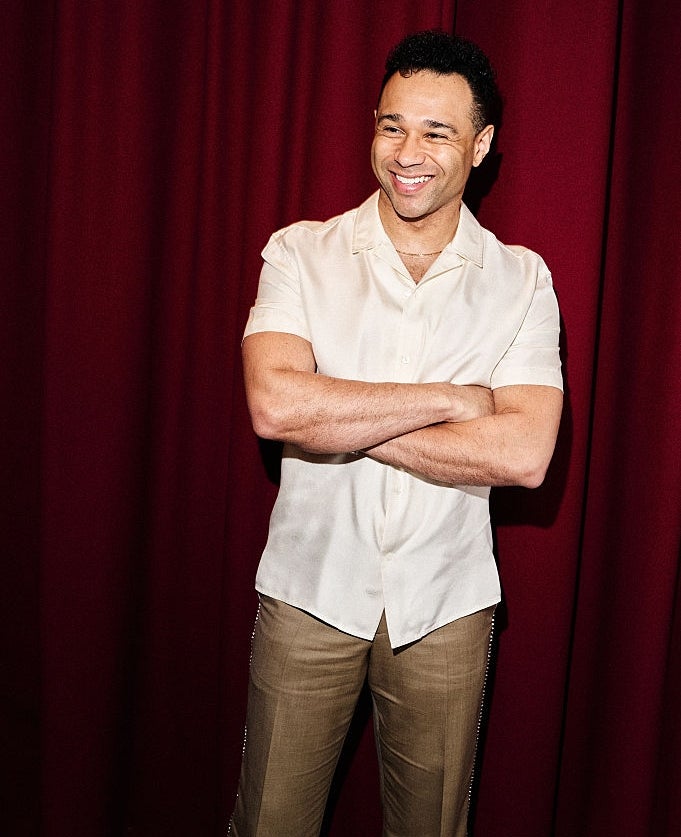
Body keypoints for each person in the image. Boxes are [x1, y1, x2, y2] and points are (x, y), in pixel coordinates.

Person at [230, 29, 563, 837]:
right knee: (268, 822)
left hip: (447, 607)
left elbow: (522, 454)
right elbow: (274, 408)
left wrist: (331, 413)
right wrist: (453, 397)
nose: (406, 152)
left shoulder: (522, 278)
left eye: (437, 131)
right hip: (308, 592)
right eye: (391, 125)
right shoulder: (300, 253)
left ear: (480, 145)